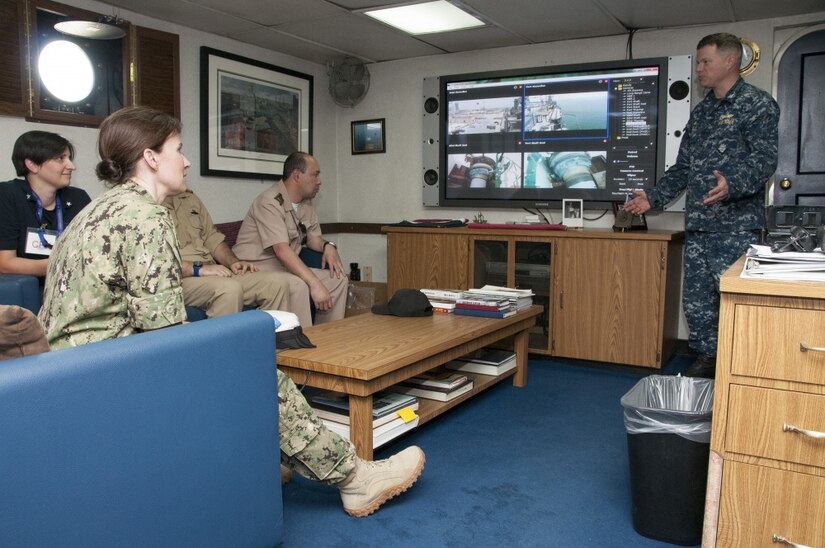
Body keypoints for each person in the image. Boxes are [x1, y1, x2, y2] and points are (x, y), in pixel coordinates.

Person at [38, 106, 424, 517]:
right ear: (151, 158)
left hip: (69, 370)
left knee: (234, 352)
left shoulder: (98, 209)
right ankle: (354, 478)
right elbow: (165, 335)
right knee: (254, 367)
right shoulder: (145, 216)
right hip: (102, 374)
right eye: (178, 149)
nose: (186, 160)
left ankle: (262, 457)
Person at [624, 33, 779, 378]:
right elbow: (683, 167)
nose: (699, 69)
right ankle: (708, 361)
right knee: (698, 305)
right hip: (700, 228)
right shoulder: (703, 110)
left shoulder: (757, 104)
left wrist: (733, 183)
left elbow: (766, 158)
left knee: (735, 304)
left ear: (731, 61)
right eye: (698, 62)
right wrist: (654, 196)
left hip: (736, 227)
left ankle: (740, 368)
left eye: (706, 61)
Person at [232, 152, 348, 327]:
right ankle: (303, 348)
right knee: (299, 285)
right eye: (315, 174)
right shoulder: (269, 202)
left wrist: (328, 246)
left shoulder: (305, 203)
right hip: (256, 270)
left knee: (337, 280)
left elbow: (312, 238)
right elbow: (281, 249)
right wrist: (314, 283)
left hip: (283, 268)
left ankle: (328, 340)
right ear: (297, 175)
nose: (319, 181)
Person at [163, 189, 290, 317]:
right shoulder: (146, 206)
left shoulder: (189, 198)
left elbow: (212, 238)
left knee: (276, 283)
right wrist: (198, 268)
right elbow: (155, 264)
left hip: (210, 272)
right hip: (177, 279)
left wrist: (233, 262)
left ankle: (265, 336)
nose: (187, 167)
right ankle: (223, 337)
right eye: (181, 166)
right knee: (228, 289)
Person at [0, 131, 91, 285]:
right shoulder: (8, 195)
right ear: (32, 165)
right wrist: (65, 264)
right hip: (28, 293)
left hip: (72, 290)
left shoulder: (78, 198)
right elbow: (5, 264)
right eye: (60, 158)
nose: (71, 166)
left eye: (69, 158)